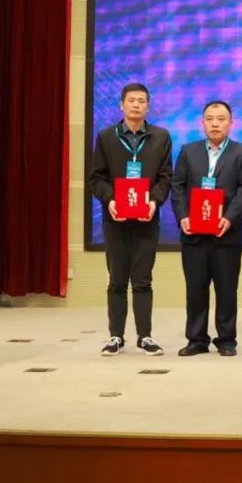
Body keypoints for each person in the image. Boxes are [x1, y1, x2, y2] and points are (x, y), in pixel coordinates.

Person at [88, 82, 173, 356]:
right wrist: (110, 200)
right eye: (131, 100)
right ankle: (115, 336)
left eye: (141, 101)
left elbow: (165, 178)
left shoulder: (161, 137)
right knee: (117, 280)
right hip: (115, 220)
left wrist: (154, 202)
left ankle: (145, 336)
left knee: (143, 280)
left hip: (147, 220)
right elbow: (96, 178)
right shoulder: (106, 137)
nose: (136, 105)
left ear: (148, 106)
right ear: (121, 105)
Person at [169, 101, 242, 357]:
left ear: (231, 123)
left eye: (220, 119)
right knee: (195, 288)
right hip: (193, 233)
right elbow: (177, 186)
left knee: (226, 288)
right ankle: (196, 339)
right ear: (202, 123)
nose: (215, 124)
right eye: (210, 119)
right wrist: (183, 217)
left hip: (226, 232)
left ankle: (226, 340)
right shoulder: (188, 151)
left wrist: (229, 218)